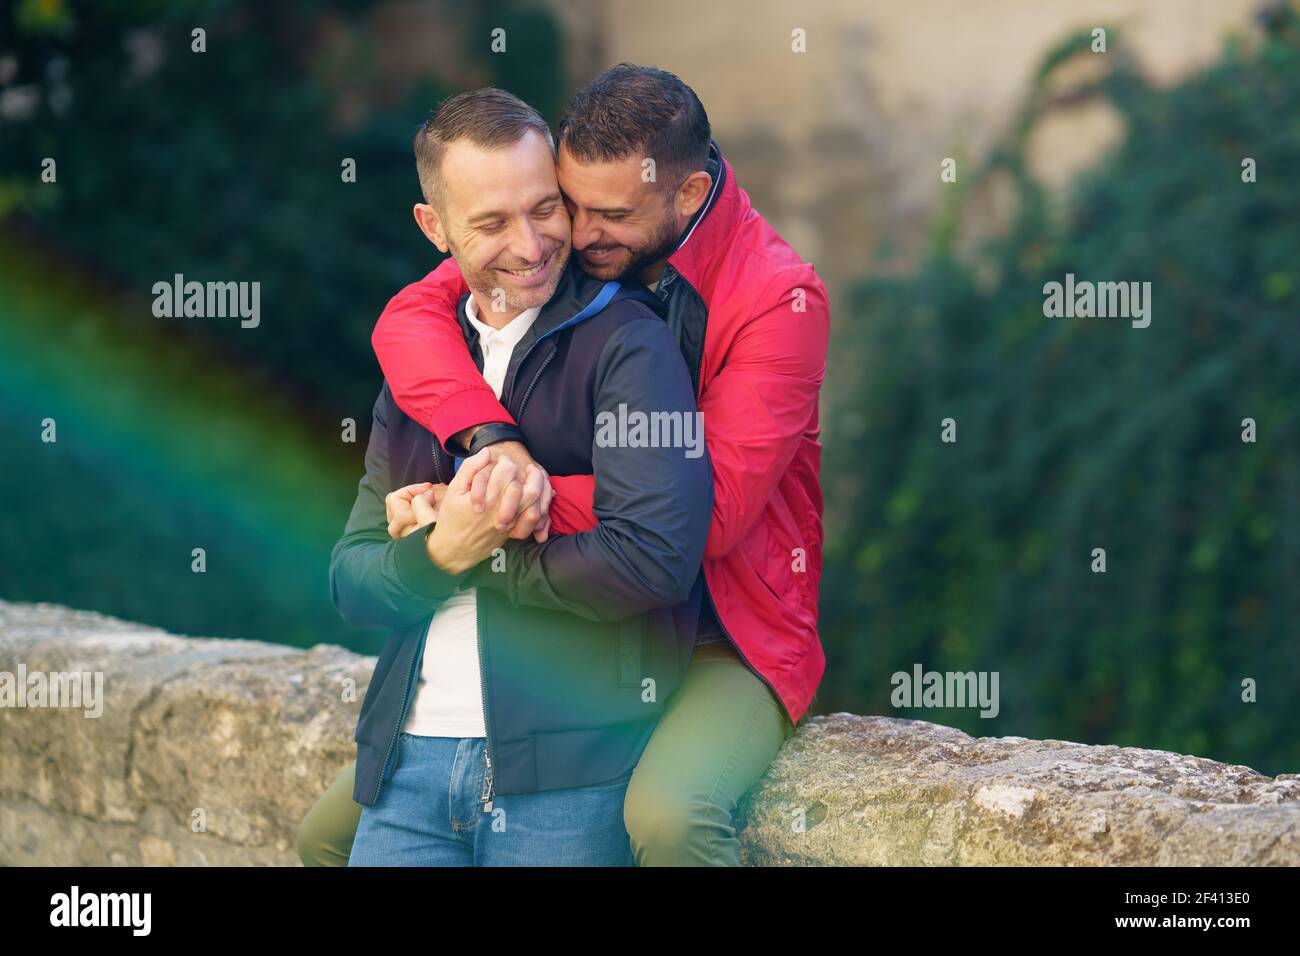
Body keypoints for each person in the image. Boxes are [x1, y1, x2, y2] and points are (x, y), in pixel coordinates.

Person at [299, 63, 828, 868]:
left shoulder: (777, 299)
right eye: (566, 203)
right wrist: (493, 448)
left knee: (671, 819)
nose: (572, 237)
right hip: (598, 612)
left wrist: (480, 510)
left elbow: (697, 519)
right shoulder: (554, 251)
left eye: (606, 214)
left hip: (726, 624)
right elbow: (413, 314)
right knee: (327, 833)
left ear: (686, 197)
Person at [330, 87, 711, 865]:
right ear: (433, 228)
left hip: (569, 771)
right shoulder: (421, 363)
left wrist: (480, 548)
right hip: (406, 765)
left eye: (546, 209)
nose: (532, 245)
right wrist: (441, 552)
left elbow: (653, 560)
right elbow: (352, 582)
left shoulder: (627, 345)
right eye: (493, 222)